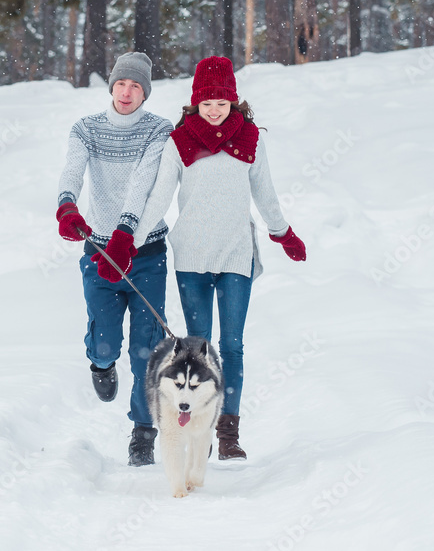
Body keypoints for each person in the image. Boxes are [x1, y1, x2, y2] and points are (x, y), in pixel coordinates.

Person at [131, 55, 306, 460]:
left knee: (233, 346)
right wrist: (131, 241)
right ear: (195, 102)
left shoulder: (249, 140)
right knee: (199, 349)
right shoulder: (179, 142)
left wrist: (282, 232)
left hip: (235, 254)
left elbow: (265, 193)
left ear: (233, 101)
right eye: (206, 102)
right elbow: (159, 198)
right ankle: (201, 428)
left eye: (221, 102)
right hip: (191, 256)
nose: (214, 110)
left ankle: (228, 434)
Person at [55, 52, 173, 466]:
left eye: (136, 86)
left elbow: (144, 184)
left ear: (145, 92)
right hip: (100, 253)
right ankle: (100, 363)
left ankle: (143, 432)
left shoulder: (159, 130)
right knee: (106, 342)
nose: (127, 92)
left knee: (146, 349)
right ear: (111, 86)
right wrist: (67, 204)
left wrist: (126, 230)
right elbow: (72, 170)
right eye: (121, 84)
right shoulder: (86, 129)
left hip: (145, 254)